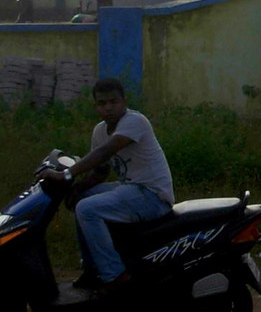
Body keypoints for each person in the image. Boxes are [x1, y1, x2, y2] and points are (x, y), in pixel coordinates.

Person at [40, 78, 174, 293]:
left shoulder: (135, 121)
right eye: (102, 103)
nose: (108, 108)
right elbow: (101, 170)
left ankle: (115, 276)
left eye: (114, 102)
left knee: (87, 209)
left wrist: (66, 174)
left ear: (124, 102)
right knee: (82, 200)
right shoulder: (100, 130)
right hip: (131, 189)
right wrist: (79, 187)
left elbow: (105, 152)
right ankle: (92, 269)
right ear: (96, 106)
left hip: (153, 195)